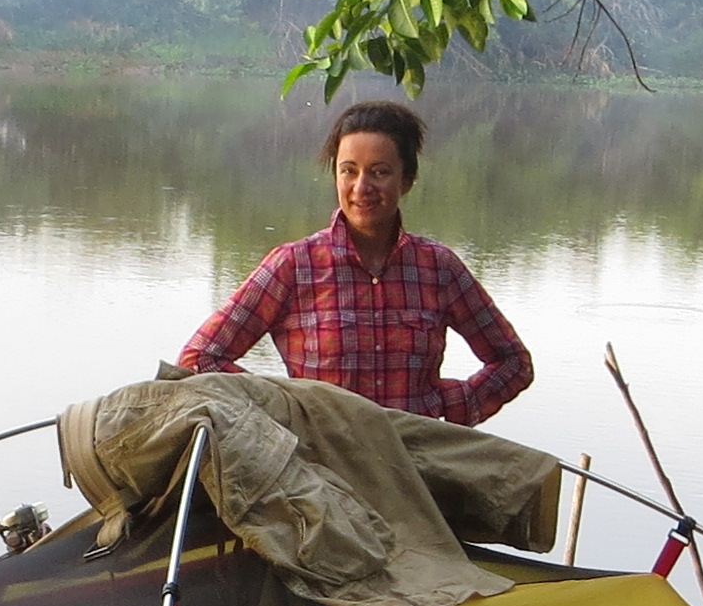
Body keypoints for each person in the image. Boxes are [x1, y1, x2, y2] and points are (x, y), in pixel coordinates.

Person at [173, 96, 532, 423]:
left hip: (414, 467)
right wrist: (284, 411)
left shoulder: (438, 268)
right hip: (318, 471)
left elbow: (513, 363)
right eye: (349, 170)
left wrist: (444, 407)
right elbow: (200, 359)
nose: (361, 188)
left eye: (379, 172)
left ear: (406, 180)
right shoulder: (294, 266)